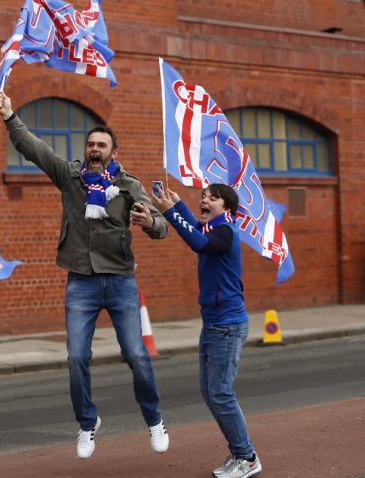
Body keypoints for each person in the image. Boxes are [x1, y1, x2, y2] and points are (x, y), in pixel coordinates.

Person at [0, 92, 170, 459]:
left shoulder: (127, 187)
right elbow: (36, 149)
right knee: (76, 357)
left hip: (120, 281)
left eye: (102, 145)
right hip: (81, 281)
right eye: (90, 143)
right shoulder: (71, 178)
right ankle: (88, 424)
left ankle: (154, 419)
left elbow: (161, 227)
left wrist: (149, 221)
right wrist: (11, 116)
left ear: (113, 152)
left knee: (137, 355)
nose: (94, 149)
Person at [151, 183, 262, 478]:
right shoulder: (212, 229)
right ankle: (239, 451)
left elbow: (198, 243)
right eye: (203, 196)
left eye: (213, 198)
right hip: (213, 324)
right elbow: (200, 232)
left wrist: (170, 214)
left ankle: (247, 457)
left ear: (226, 208)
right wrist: (176, 204)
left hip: (227, 326)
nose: (205, 200)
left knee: (221, 393)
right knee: (211, 392)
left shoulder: (225, 231)